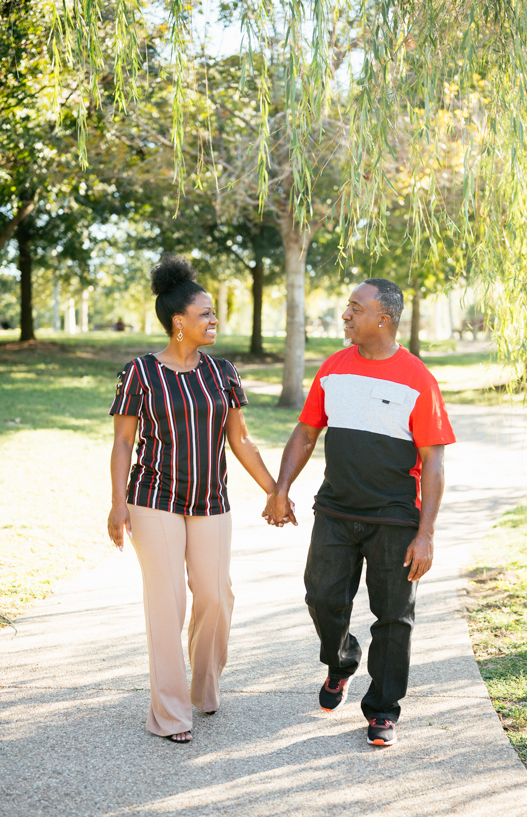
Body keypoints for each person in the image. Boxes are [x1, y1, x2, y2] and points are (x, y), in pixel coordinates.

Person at [263, 279, 455, 747]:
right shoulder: (333, 368)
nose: (345, 315)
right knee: (321, 597)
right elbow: (306, 432)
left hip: (394, 517)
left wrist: (425, 533)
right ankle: (342, 661)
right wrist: (281, 487)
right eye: (347, 307)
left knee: (394, 618)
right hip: (335, 510)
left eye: (355, 308)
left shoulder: (417, 379)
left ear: (383, 320)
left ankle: (384, 709)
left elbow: (433, 461)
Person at [108, 255, 278, 744]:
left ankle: (204, 689)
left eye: (214, 313)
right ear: (178, 321)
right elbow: (123, 443)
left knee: (215, 596)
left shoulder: (223, 372)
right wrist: (118, 504)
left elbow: (240, 440)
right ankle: (169, 714)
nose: (213, 320)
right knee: (166, 603)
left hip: (210, 500)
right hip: (153, 498)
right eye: (204, 313)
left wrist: (274, 490)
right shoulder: (140, 372)